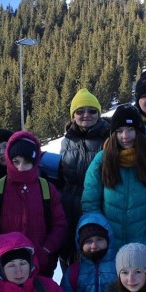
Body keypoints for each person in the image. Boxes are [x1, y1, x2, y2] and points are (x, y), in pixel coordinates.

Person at [81, 105, 146, 253]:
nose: (125, 136)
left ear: (139, 131)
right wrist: (103, 236)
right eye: (120, 131)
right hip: (109, 248)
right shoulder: (102, 160)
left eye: (131, 130)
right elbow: (90, 203)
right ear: (113, 134)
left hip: (144, 247)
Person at [0, 130, 68, 279]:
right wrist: (1, 250)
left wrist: (45, 250)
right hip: (7, 267)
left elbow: (59, 225)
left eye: (27, 162)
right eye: (16, 162)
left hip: (41, 267)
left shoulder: (46, 188)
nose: (21, 167)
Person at [58, 88, 111, 262]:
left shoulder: (108, 138)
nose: (86, 115)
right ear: (73, 115)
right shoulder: (67, 141)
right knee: (69, 259)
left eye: (92, 111)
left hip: (98, 206)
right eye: (80, 111)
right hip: (69, 208)